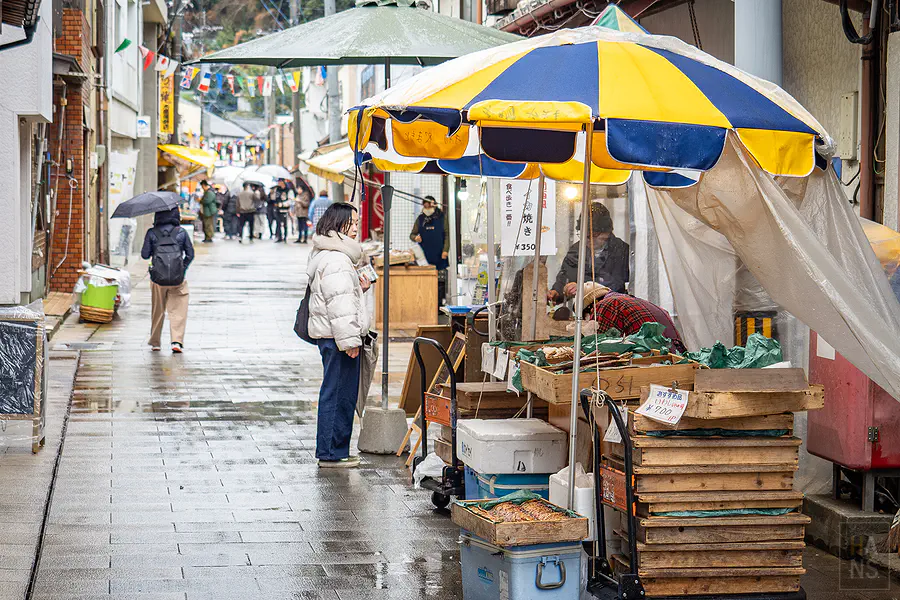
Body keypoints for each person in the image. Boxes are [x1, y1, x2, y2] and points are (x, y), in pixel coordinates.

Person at [307, 202, 371, 468]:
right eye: (352, 223)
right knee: (339, 394)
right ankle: (332, 453)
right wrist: (350, 341)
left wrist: (360, 289)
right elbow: (339, 304)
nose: (356, 228)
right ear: (339, 224)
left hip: (332, 336)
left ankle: (334, 450)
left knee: (336, 392)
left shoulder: (327, 253)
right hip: (338, 339)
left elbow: (340, 297)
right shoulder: (337, 258)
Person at [549, 202, 629, 302]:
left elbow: (616, 283)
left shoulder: (621, 250)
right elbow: (566, 275)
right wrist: (556, 292)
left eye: (593, 235)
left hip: (613, 308)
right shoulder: (577, 249)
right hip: (584, 311)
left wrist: (584, 288)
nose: (588, 240)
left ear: (607, 233)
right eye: (584, 235)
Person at [140, 207, 194, 353]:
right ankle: (176, 341)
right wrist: (182, 268)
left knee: (158, 310)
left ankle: (155, 342)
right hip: (177, 278)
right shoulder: (181, 232)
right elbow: (190, 253)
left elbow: (144, 255)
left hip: (158, 278)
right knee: (178, 309)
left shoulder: (152, 232)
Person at [582, 283, 686, 354]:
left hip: (656, 357)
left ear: (592, 305)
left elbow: (599, 346)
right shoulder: (628, 300)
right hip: (677, 354)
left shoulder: (606, 304)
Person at [409, 195, 450, 301]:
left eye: (429, 206)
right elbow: (412, 235)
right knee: (426, 281)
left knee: (440, 282)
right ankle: (427, 302)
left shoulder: (442, 217)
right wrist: (416, 238)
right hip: (424, 257)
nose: (427, 209)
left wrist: (445, 250)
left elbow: (447, 235)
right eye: (425, 207)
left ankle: (439, 304)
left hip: (440, 254)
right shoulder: (420, 219)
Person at [292, 178, 312, 244]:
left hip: (304, 213)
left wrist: (300, 201)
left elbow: (306, 204)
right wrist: (293, 211)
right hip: (298, 213)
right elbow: (295, 204)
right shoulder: (298, 195)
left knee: (304, 226)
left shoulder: (306, 195)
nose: (298, 190)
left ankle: (305, 239)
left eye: (299, 189)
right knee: (299, 226)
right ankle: (299, 238)